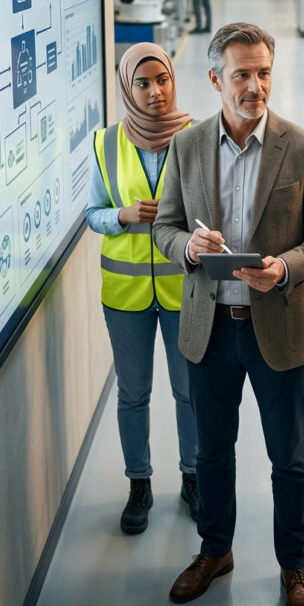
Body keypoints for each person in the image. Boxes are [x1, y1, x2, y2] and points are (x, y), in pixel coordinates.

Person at [153, 22, 304, 606]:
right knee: (213, 452)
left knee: (288, 457)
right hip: (209, 328)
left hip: (278, 329)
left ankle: (293, 563)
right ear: (214, 79)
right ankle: (216, 550)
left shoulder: (303, 147)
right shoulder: (187, 146)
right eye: (242, 74)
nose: (256, 86)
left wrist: (285, 268)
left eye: (263, 73)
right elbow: (165, 227)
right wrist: (188, 247)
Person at [86, 43, 199, 535]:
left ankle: (193, 477)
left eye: (163, 80)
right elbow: (93, 214)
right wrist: (122, 216)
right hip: (126, 297)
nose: (156, 92)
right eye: (143, 83)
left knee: (188, 392)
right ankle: (139, 482)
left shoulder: (197, 138)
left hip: (184, 291)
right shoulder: (106, 144)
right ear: (126, 88)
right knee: (133, 394)